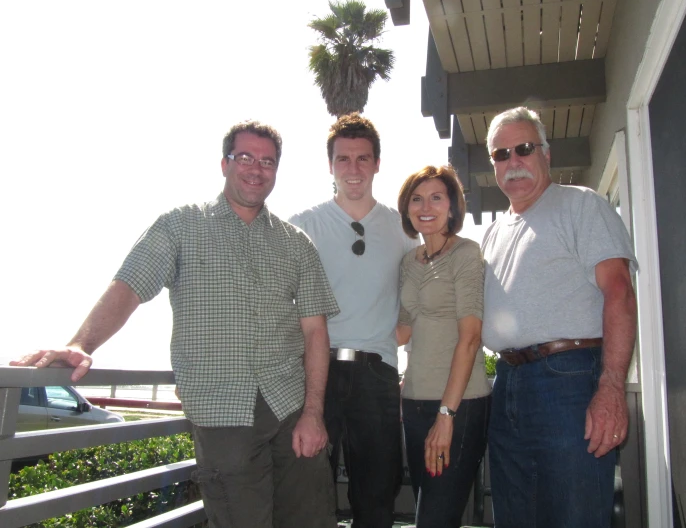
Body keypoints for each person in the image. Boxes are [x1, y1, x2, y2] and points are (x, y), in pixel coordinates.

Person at [10, 120, 340, 528]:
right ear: (224, 164)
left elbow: (315, 330)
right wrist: (82, 343)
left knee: (312, 519)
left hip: (292, 408)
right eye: (245, 158)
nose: (256, 168)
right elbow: (129, 287)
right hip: (222, 413)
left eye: (267, 161)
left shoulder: (296, 243)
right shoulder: (180, 226)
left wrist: (313, 412)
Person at [481, 107, 638, 528]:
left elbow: (619, 292)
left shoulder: (581, 205)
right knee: (515, 517)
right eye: (501, 154)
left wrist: (610, 388)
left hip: (568, 382)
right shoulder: (494, 233)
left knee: (575, 516)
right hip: (507, 384)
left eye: (524, 149)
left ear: (546, 154)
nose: (513, 161)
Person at [289, 113, 414, 528]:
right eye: (343, 159)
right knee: (308, 488)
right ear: (330, 165)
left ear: (378, 163)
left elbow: (420, 300)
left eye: (363, 158)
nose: (354, 169)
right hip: (314, 374)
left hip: (377, 375)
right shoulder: (301, 227)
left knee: (377, 494)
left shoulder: (403, 229)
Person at [396, 165, 491, 528]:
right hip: (414, 402)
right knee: (431, 512)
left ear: (452, 207)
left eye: (436, 197)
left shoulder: (466, 253)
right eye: (416, 199)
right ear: (406, 209)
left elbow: (470, 337)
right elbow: (403, 330)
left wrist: (446, 416)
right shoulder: (409, 261)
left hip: (458, 405)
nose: (426, 206)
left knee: (433, 520)